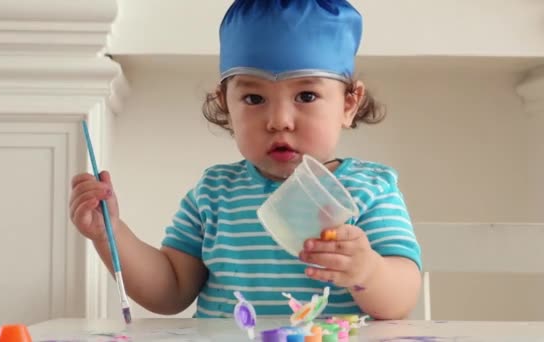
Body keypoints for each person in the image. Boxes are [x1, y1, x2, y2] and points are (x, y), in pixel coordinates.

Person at [69, 0, 422, 320]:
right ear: (225, 103)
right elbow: (170, 291)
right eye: (254, 98)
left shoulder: (370, 190)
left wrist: (369, 272)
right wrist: (111, 234)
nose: (279, 120)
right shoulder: (214, 193)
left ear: (349, 104)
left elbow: (401, 299)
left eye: (307, 95)